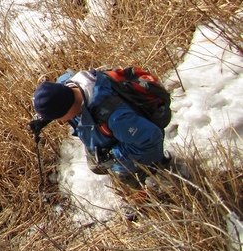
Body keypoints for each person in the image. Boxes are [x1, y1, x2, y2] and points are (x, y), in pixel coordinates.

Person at [31, 70, 169, 188]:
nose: (61, 121)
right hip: (109, 134)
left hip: (136, 142)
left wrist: (113, 157)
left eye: (59, 117)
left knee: (125, 176)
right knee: (96, 166)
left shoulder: (117, 117)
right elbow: (56, 93)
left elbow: (151, 139)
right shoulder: (69, 84)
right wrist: (43, 117)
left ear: (67, 110)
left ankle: (149, 179)